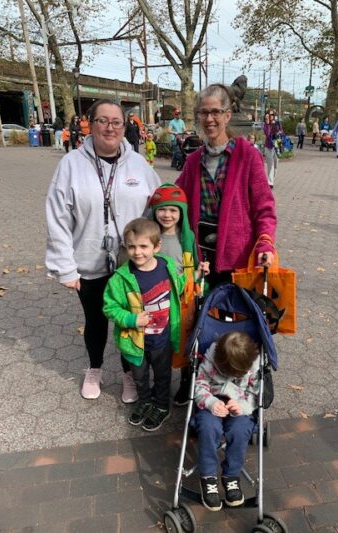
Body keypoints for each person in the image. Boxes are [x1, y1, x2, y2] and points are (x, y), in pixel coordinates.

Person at [45, 98, 161, 401]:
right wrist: (65, 267)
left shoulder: (139, 164)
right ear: (89, 124)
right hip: (88, 262)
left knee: (128, 321)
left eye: (117, 122)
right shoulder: (70, 165)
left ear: (125, 126)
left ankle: (128, 375)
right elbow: (57, 217)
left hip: (130, 264)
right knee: (95, 320)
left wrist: (159, 254)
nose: (110, 127)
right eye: (103, 121)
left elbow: (158, 209)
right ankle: (94, 369)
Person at [177, 83, 276, 290]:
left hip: (236, 258)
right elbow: (176, 198)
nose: (209, 119)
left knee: (233, 320)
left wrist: (265, 243)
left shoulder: (247, 155)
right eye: (203, 112)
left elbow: (264, 207)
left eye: (215, 112)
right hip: (200, 259)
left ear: (227, 115)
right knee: (201, 318)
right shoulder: (194, 161)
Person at [103, 218, 191, 432]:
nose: (137, 252)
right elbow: (109, 307)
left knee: (162, 376)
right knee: (140, 377)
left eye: (143, 246)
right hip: (135, 341)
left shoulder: (167, 265)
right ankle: (144, 402)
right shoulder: (120, 279)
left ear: (156, 246)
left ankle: (162, 406)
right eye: (131, 246)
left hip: (162, 338)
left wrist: (196, 275)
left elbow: (178, 286)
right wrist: (132, 320)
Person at [149, 184, 210, 406]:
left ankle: (186, 383)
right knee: (160, 346)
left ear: (181, 212)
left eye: (173, 210)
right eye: (162, 209)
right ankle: (160, 383)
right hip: (157, 301)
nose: (167, 215)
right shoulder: (149, 236)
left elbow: (191, 268)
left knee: (185, 343)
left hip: (184, 300)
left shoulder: (187, 237)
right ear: (153, 211)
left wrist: (199, 272)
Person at [194, 331, 260, 511]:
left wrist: (242, 406)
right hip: (212, 403)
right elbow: (199, 385)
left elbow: (256, 394)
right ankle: (208, 476)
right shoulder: (211, 359)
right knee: (208, 427)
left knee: (240, 430)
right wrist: (210, 402)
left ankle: (231, 475)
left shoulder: (253, 364)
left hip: (239, 405)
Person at [263, 109, 282, 188]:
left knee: (275, 165)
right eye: (269, 114)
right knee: (270, 164)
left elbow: (282, 132)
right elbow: (267, 134)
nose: (271, 116)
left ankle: (272, 179)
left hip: (276, 146)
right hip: (268, 146)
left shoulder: (277, 124)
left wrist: (279, 133)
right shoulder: (266, 125)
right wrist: (267, 123)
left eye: (272, 115)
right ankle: (270, 182)